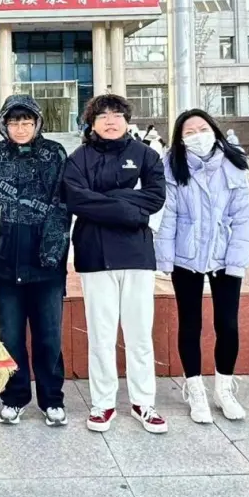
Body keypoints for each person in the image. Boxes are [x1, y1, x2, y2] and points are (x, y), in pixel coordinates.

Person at [63, 94, 167, 434]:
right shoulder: (79, 158)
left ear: (126, 120)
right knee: (101, 335)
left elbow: (155, 197)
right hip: (95, 254)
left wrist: (106, 200)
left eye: (117, 114)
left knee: (139, 334)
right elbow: (76, 199)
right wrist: (128, 205)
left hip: (137, 254)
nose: (110, 120)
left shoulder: (146, 155)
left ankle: (143, 402)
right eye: (103, 115)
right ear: (91, 123)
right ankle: (103, 403)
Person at [0, 95, 71, 427]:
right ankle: (14, 398)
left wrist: (53, 252)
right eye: (14, 122)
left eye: (27, 122)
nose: (21, 128)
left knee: (49, 337)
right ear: (4, 125)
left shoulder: (54, 154)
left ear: (37, 123)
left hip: (46, 263)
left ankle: (52, 400)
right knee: (10, 335)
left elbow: (62, 207)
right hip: (4, 261)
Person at [156, 109, 249, 425]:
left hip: (224, 255)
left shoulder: (233, 164)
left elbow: (243, 217)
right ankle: (195, 389)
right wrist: (165, 258)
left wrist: (237, 260)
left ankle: (224, 389)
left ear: (214, 130)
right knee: (190, 323)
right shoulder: (173, 167)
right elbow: (168, 216)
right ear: (180, 139)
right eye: (189, 132)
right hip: (186, 256)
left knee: (227, 324)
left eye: (202, 129)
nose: (197, 136)